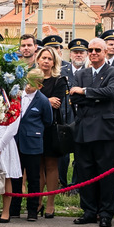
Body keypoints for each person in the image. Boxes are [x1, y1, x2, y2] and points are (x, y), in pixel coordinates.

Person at [69, 37, 114, 227]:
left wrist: (84, 92)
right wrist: (93, 96)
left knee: (106, 174)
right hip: (83, 130)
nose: (93, 53)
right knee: (85, 172)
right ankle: (89, 211)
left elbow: (112, 93)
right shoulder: (82, 73)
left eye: (97, 50)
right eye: (90, 50)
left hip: (105, 132)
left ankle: (106, 213)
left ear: (106, 52)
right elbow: (74, 99)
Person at [10, 69, 53, 222]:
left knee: (34, 178)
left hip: (33, 143)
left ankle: (32, 210)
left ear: (40, 86)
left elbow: (48, 120)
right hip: (16, 141)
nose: (28, 87)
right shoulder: (17, 95)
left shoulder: (42, 100)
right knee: (16, 176)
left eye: (33, 84)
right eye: (27, 82)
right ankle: (13, 208)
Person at [35, 45, 69, 218]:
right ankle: (38, 201)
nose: (46, 61)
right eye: (43, 58)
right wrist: (45, 100)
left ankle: (50, 203)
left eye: (49, 59)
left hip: (51, 127)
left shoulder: (59, 80)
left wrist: (41, 100)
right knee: (38, 165)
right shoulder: (31, 79)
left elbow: (56, 102)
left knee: (51, 165)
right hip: (34, 127)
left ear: (54, 62)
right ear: (38, 60)